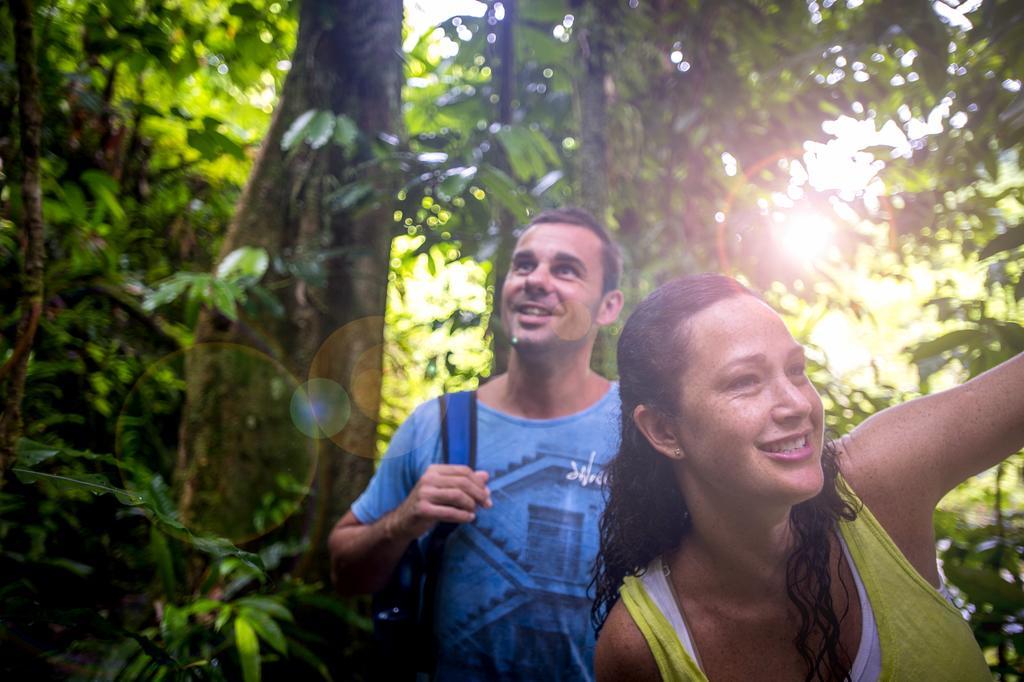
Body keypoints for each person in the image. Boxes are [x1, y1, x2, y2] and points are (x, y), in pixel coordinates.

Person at [592, 273, 1023, 681]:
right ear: (665, 431)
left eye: (796, 370)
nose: (797, 404)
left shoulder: (879, 479)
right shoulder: (641, 648)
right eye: (745, 380)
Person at [329, 208, 625, 680]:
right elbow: (344, 573)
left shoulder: (640, 430)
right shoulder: (440, 425)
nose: (536, 280)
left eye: (565, 270)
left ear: (608, 307)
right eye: (524, 265)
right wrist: (402, 521)